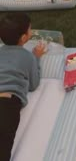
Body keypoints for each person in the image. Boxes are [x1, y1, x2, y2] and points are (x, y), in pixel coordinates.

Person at [0, 12, 47, 161]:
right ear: (24, 38)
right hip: (7, 104)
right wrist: (37, 58)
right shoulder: (28, 57)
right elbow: (33, 84)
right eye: (30, 29)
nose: (31, 31)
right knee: (4, 144)